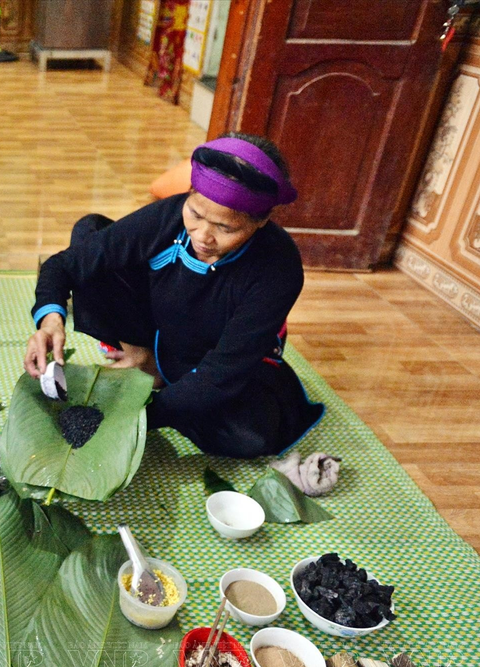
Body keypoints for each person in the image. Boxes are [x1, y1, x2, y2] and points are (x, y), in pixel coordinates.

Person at [24, 133, 324, 459]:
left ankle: (166, 379)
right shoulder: (168, 216)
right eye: (195, 214)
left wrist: (131, 417)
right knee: (89, 235)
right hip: (159, 325)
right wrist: (50, 321)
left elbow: (221, 375)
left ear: (261, 221)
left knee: (249, 437)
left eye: (225, 228)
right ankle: (144, 362)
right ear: (190, 196)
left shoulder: (278, 268)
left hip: (210, 357)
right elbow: (65, 264)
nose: (203, 237)